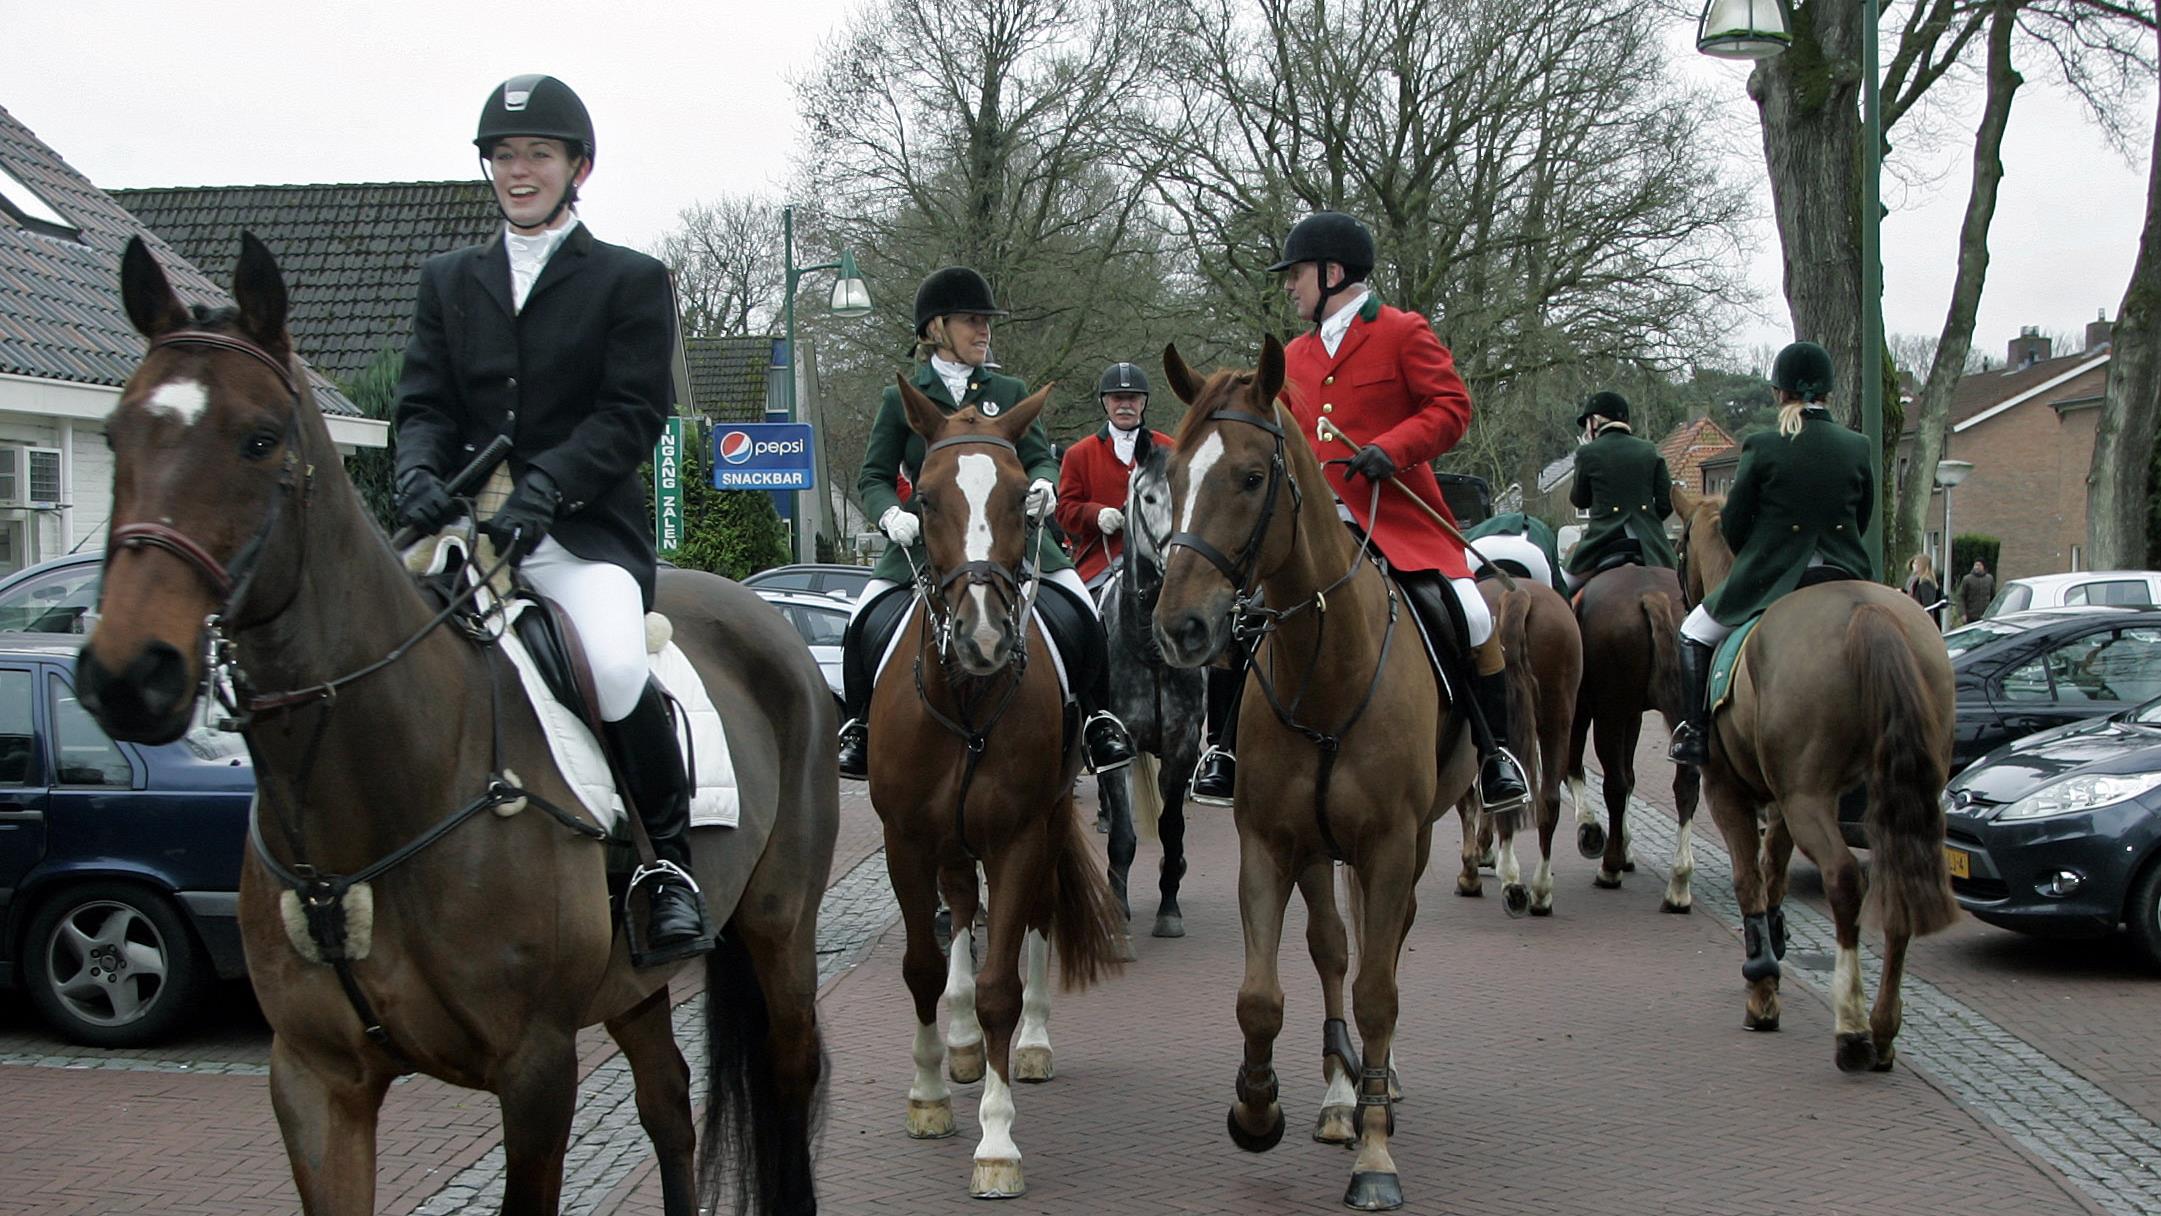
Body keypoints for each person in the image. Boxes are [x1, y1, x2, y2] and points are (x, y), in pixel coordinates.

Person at [391, 75, 707, 961]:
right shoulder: (448, 280)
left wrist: (548, 488)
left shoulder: (630, 279)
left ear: (579, 167)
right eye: (503, 154)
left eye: (537, 154)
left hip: (576, 534)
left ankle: (664, 863)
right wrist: (416, 471)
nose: (518, 170)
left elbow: (630, 412)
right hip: (461, 528)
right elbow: (423, 404)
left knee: (611, 667)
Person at [1257, 210, 1529, 812]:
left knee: (1474, 617)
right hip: (1312, 529)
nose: (1288, 285)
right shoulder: (1292, 356)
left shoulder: (1402, 331)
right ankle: (1223, 751)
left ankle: (1496, 757)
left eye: (1296, 273)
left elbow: (1452, 407)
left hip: (1397, 522)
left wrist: (1392, 449)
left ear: (1331, 273)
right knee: (1247, 616)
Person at [834, 267, 1136, 780]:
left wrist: (1044, 485)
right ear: (936, 328)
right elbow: (874, 475)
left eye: (986, 322)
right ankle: (861, 726)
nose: (984, 331)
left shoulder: (1008, 389)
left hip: (1010, 535)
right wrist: (889, 514)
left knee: (1082, 609)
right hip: (930, 540)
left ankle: (1098, 718)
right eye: (972, 321)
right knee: (862, 621)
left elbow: (1040, 458)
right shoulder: (901, 397)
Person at [1668, 341, 1873, 765]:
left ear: (1780, 392)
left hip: (1776, 576)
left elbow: (1736, 524)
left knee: (1693, 631)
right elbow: (1864, 516)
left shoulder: (1763, 445)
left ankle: (1695, 734)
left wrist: (1755, 557)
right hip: (1845, 572)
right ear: (1828, 392)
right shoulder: (1857, 445)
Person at [1057, 362, 1173, 592]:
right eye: (1117, 398)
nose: (1125, 405)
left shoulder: (1170, 449)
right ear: (1104, 402)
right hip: (1101, 560)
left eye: (1132, 398)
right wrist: (1096, 515)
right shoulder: (1079, 454)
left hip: (1161, 559)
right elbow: (1064, 511)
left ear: (1143, 402)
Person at [1562, 390, 1676, 590]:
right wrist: (1646, 518)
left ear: (1595, 421)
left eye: (1587, 424)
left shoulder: (1587, 452)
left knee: (1560, 587)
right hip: (1650, 544)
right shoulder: (1649, 449)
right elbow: (1667, 503)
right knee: (1684, 591)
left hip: (1602, 540)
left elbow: (1580, 500)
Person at [1465, 511, 1566, 595]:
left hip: (1477, 552)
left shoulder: (1473, 532)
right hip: (1532, 555)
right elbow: (1558, 583)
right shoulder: (1542, 529)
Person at [1904, 552, 1944, 629]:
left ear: (1922, 565)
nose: (1913, 565)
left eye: (1916, 563)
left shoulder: (1925, 582)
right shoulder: (1914, 579)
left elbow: (1927, 604)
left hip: (1921, 619)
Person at [1956, 559, 1995, 624]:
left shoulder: (1989, 579)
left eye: (1979, 565)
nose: (1977, 567)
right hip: (1970, 616)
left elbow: (1993, 597)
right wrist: (1962, 614)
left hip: (1985, 616)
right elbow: (1960, 597)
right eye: (1975, 565)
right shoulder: (1967, 579)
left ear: (1983, 567)